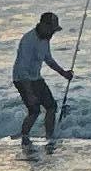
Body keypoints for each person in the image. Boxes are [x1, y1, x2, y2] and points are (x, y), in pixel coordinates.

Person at [12, 8, 71, 147]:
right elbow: (22, 69)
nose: (53, 34)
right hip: (22, 79)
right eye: (52, 30)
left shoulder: (45, 39)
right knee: (34, 110)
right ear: (44, 25)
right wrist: (29, 93)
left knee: (51, 106)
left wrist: (63, 73)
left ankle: (49, 137)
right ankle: (24, 137)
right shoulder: (28, 40)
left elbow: (48, 59)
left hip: (36, 78)